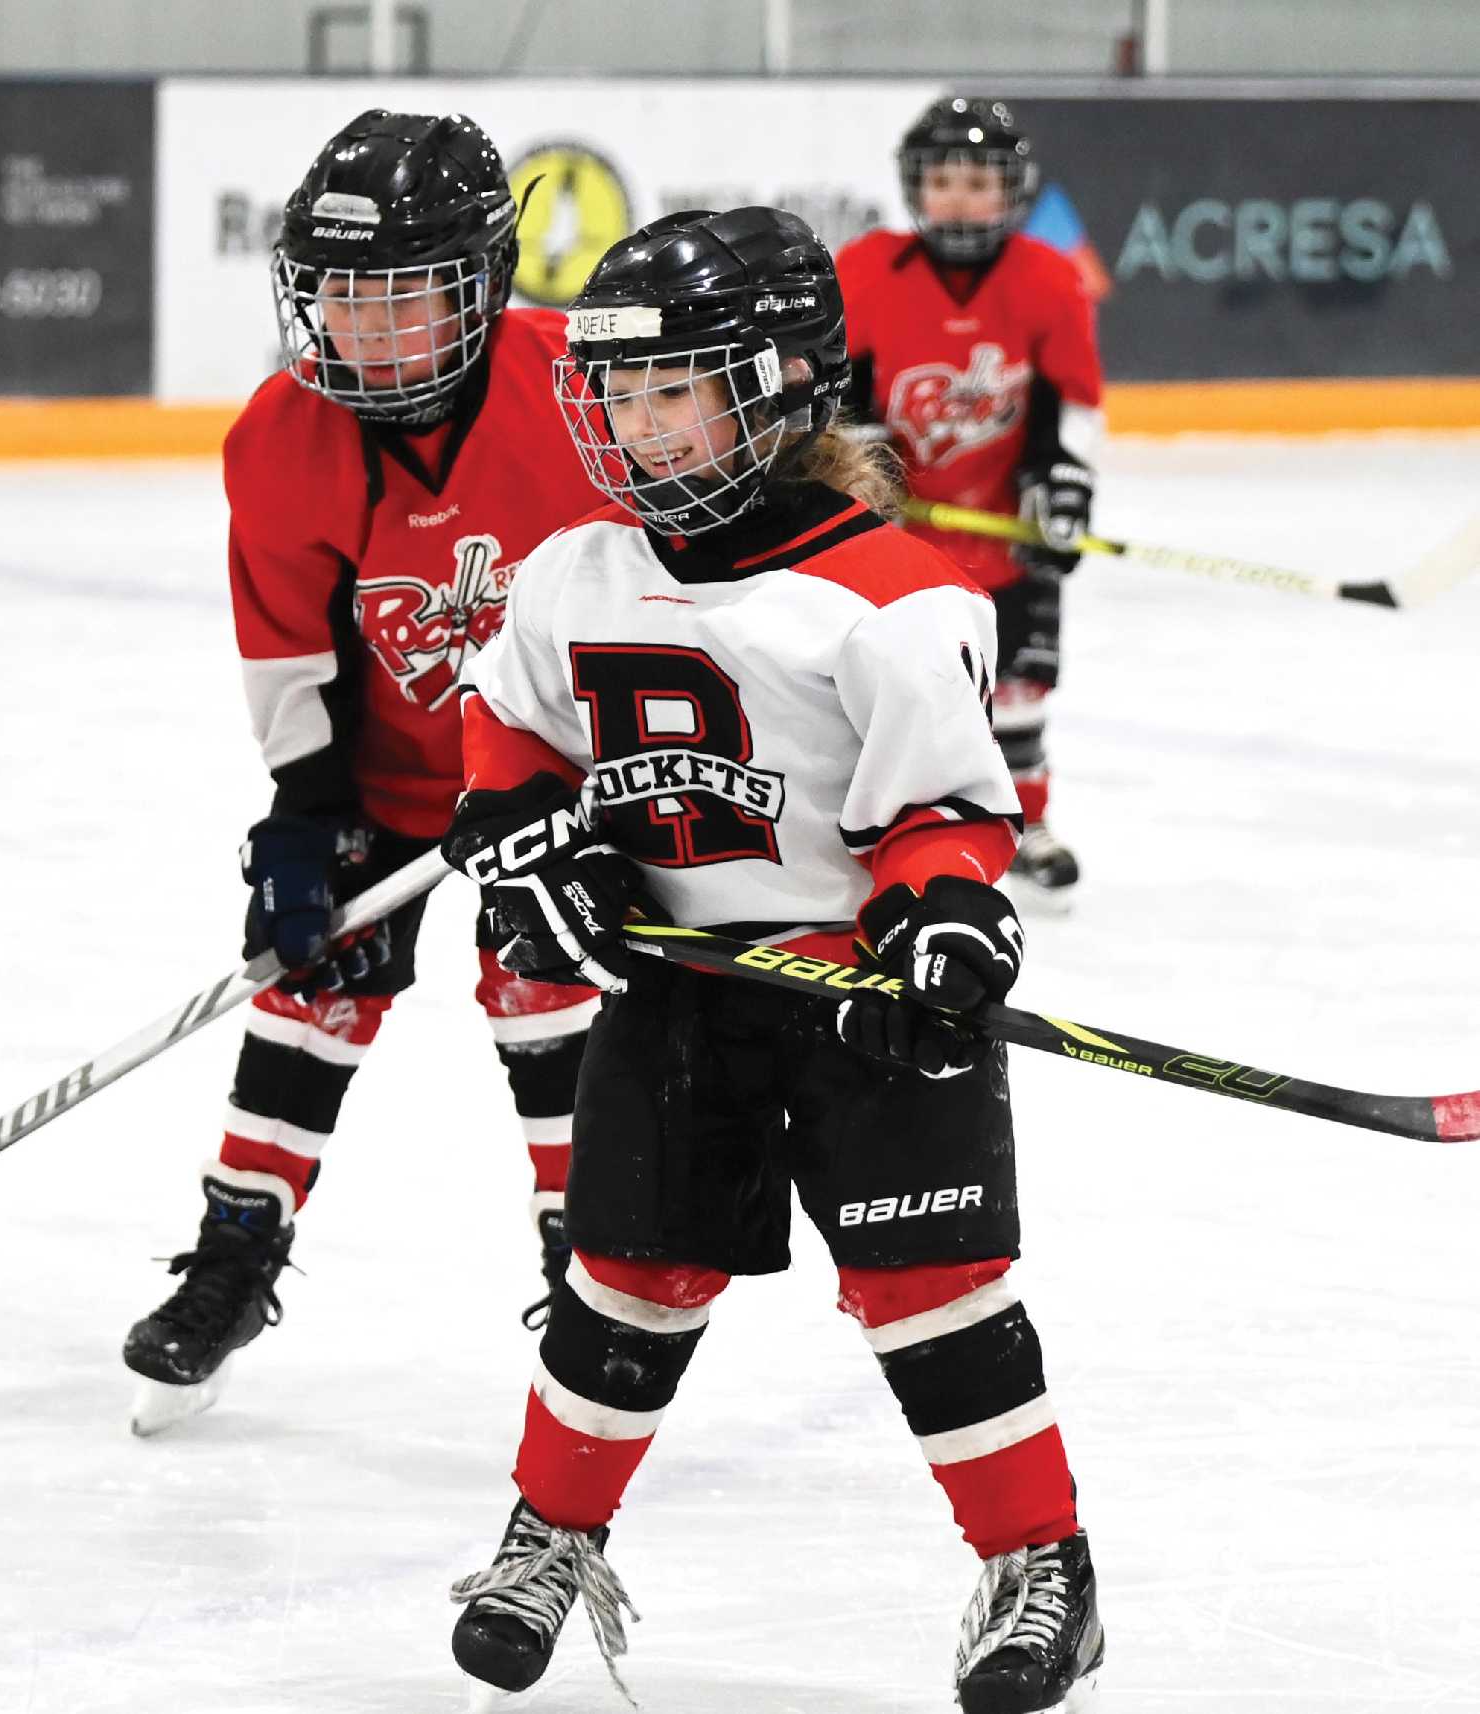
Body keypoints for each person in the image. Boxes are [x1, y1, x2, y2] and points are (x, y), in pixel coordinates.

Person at [436, 206, 1104, 1714]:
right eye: (614, 389)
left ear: (784, 386)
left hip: (859, 999)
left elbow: (945, 812)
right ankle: (550, 1535)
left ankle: (1039, 1561)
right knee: (622, 1276)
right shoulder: (574, 572)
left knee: (929, 1283)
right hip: (680, 994)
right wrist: (533, 846)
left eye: (670, 387)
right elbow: (510, 736)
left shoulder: (894, 593)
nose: (629, 420)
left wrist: (938, 913)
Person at [122, 110, 604, 1430]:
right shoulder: (279, 439)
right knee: (310, 982)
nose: (362, 329)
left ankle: (590, 1264)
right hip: (384, 778)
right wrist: (304, 814)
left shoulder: (577, 393)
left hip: (557, 775)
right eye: (338, 294)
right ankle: (234, 1255)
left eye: (403, 298)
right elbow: (288, 650)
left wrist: (615, 781)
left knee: (542, 977)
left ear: (487, 283)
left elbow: (652, 594)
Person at [837, 94, 1104, 908]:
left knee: (1019, 684)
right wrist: (857, 473)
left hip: (1000, 521)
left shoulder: (1049, 278)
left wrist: (1063, 486)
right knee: (881, 690)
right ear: (914, 186)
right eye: (943, 178)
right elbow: (839, 401)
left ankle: (1027, 822)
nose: (959, 196)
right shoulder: (866, 268)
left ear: (1012, 190)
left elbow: (1071, 402)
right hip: (900, 532)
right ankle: (873, 827)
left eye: (979, 180)